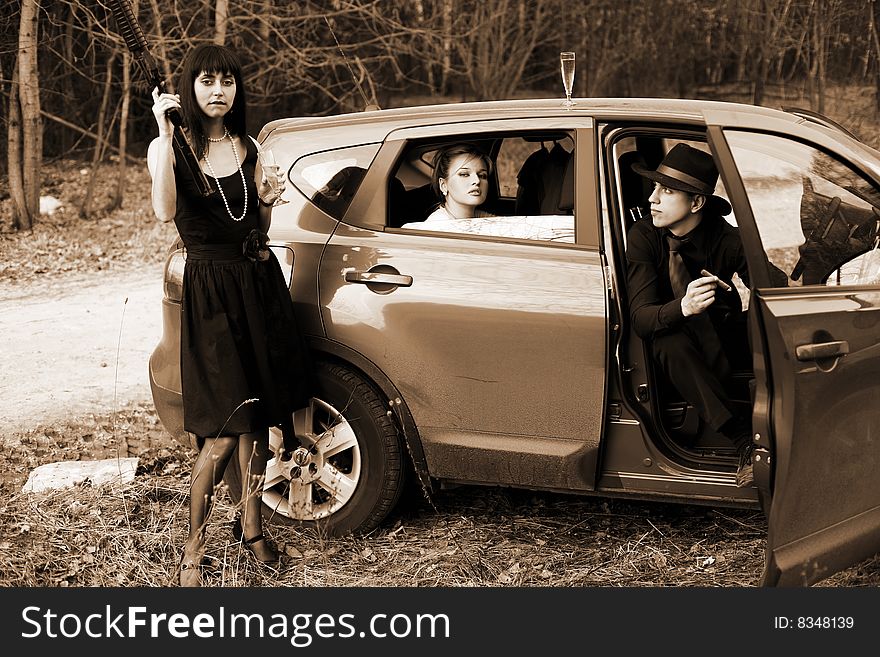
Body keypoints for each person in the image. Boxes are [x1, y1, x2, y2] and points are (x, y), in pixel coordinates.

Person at [147, 44, 312, 586]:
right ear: (189, 90)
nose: (218, 91)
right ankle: (193, 552)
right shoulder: (168, 147)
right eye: (206, 81)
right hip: (212, 294)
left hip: (258, 287)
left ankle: (253, 529)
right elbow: (166, 211)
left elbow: (257, 219)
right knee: (221, 431)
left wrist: (271, 194)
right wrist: (168, 137)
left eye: (227, 81)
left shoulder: (249, 146)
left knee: (258, 423)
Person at [625, 142, 755, 487]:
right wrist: (683, 307)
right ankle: (742, 437)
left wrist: (734, 294)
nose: (652, 199)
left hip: (721, 337)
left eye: (666, 191)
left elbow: (773, 287)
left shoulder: (725, 238)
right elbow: (640, 318)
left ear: (696, 203)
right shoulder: (644, 237)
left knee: (761, 324)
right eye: (655, 188)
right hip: (673, 350)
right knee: (668, 341)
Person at [401, 143, 494, 231]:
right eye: (464, 174)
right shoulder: (437, 227)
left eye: (482, 175)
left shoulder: (479, 216)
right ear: (443, 185)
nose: (477, 181)